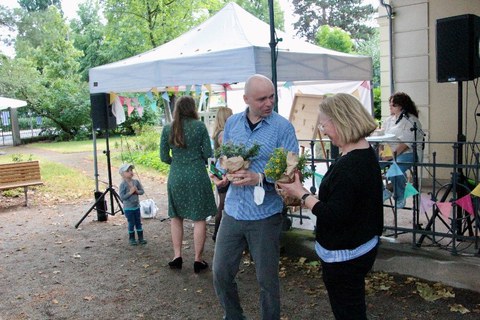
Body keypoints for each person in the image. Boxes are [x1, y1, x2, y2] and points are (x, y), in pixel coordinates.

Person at [277, 93, 384, 320]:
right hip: (359, 248)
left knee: (349, 312)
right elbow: (348, 203)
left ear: (341, 121)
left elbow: (333, 214)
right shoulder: (364, 154)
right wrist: (302, 193)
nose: (323, 131)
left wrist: (301, 194)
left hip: (346, 256)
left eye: (324, 125)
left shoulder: (351, 165)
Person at [211, 74, 299, 320]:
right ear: (246, 99)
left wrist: (258, 177)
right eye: (262, 99)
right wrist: (225, 170)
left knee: (267, 282)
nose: (269, 103)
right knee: (220, 273)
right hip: (233, 210)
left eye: (272, 96)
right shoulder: (232, 124)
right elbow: (223, 156)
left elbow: (289, 171)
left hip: (265, 215)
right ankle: (234, 316)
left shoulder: (282, 127)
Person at [160, 95, 217, 273]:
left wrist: (177, 163)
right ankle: (197, 260)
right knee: (199, 218)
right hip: (197, 175)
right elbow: (208, 153)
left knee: (176, 217)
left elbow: (163, 157)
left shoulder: (168, 128)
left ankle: (177, 256)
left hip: (176, 175)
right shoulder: (199, 126)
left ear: (177, 109)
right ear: (192, 108)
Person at [381, 92, 423, 209]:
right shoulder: (389, 120)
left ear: (402, 106)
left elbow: (405, 144)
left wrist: (391, 156)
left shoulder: (411, 120)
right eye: (390, 104)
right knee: (370, 164)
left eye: (393, 104)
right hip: (390, 153)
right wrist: (382, 151)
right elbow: (382, 137)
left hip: (407, 153)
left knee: (395, 169)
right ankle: (383, 191)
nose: (390, 106)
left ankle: (399, 196)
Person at [211, 106, 233, 242]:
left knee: (222, 203)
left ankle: (217, 232)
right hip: (223, 171)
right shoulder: (223, 134)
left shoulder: (217, 133)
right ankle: (217, 233)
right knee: (223, 204)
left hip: (219, 170)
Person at [118, 163, 147, 246]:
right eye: (128, 171)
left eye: (131, 170)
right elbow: (122, 197)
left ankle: (141, 238)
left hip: (136, 207)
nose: (131, 172)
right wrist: (130, 192)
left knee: (138, 222)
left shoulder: (136, 182)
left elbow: (142, 191)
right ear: (123, 174)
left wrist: (137, 191)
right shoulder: (123, 185)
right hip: (128, 208)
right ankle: (132, 238)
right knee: (131, 222)